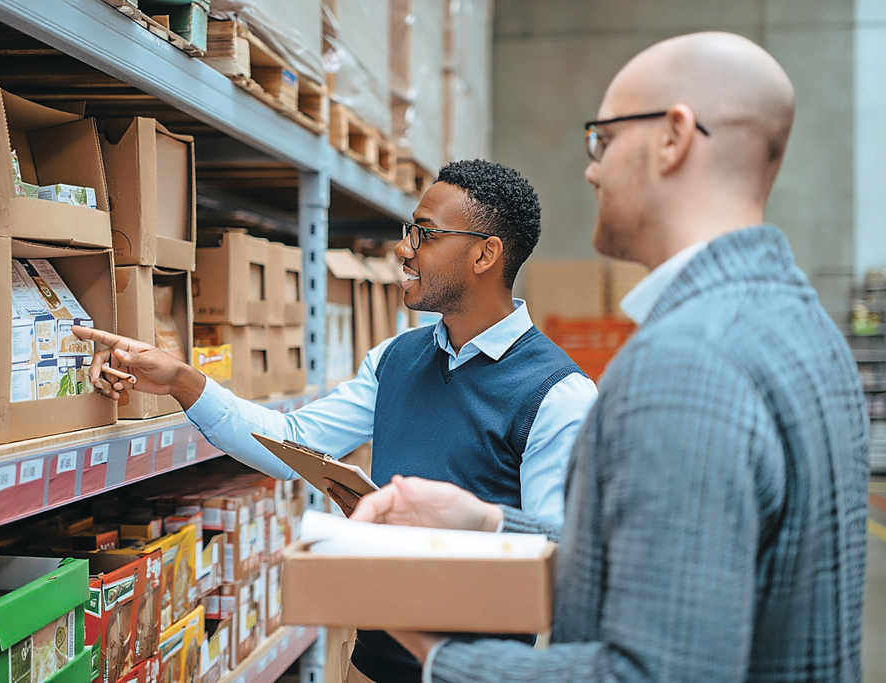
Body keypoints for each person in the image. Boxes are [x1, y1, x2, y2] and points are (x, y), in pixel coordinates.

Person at [350, 32, 870, 682]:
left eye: (604, 138)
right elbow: (682, 570)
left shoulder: (686, 360)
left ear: (673, 136)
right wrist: (486, 520)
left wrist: (438, 650)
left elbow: (654, 671)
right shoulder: (801, 322)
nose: (591, 168)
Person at [73, 158, 598, 682]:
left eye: (425, 234)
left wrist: (417, 535)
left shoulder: (556, 395)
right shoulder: (395, 361)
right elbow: (292, 441)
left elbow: (555, 558)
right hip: (368, 663)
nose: (404, 248)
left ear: (485, 253)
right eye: (407, 230)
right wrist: (180, 382)